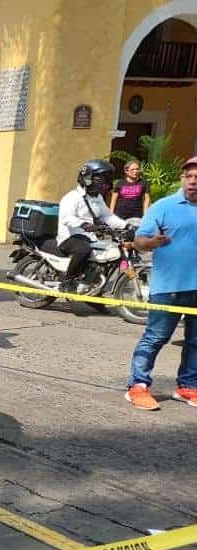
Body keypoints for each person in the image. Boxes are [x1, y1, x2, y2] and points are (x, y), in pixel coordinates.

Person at [125, 156, 197, 411]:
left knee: (195, 341)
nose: (193, 182)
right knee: (156, 337)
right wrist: (153, 242)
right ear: (182, 179)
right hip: (169, 288)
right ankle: (138, 385)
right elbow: (138, 241)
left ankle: (188, 386)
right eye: (189, 177)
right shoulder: (163, 206)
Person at [54, 159, 128, 291]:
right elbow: (67, 218)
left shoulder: (97, 198)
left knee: (109, 254)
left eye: (106, 179)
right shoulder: (72, 197)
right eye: (100, 179)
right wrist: (83, 224)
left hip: (89, 237)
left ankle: (94, 288)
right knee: (83, 249)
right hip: (70, 238)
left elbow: (108, 216)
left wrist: (127, 226)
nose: (104, 183)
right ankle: (67, 280)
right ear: (87, 178)